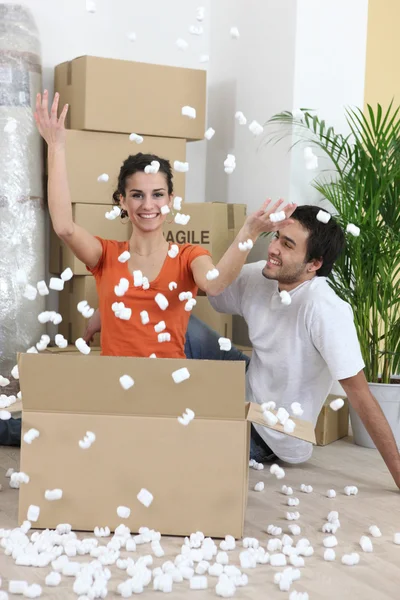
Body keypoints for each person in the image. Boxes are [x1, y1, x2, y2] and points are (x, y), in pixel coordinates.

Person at [0, 89, 295, 451]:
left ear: (170, 201)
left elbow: (215, 285)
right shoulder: (106, 256)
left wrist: (248, 232)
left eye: (157, 194)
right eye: (137, 195)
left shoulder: (188, 255)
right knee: (42, 433)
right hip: (116, 391)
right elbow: (63, 226)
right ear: (122, 202)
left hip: (167, 392)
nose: (148, 204)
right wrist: (56, 146)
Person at [206, 205, 400, 488]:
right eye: (275, 237)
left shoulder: (325, 309)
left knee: (191, 440)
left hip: (275, 430)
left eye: (287, 245)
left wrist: (397, 472)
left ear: (314, 264)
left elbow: (360, 394)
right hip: (249, 388)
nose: (273, 248)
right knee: (185, 329)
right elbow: (209, 287)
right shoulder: (260, 276)